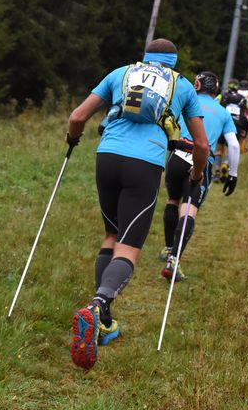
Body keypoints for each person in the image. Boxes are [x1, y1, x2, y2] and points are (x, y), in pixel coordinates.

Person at [65, 39, 209, 370]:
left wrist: (73, 140)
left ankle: (103, 320)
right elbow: (200, 144)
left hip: (107, 156)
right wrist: (197, 174)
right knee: (129, 247)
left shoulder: (120, 73)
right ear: (172, 61)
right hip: (144, 162)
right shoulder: (182, 86)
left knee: (111, 236)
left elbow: (77, 117)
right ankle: (98, 305)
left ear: (145, 57)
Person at [159, 71, 240, 281]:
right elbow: (233, 145)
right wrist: (233, 174)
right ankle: (174, 260)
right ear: (216, 89)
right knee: (189, 209)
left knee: (172, 200)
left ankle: (168, 248)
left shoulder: (187, 104)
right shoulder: (223, 113)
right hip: (201, 160)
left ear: (197, 85)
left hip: (176, 156)